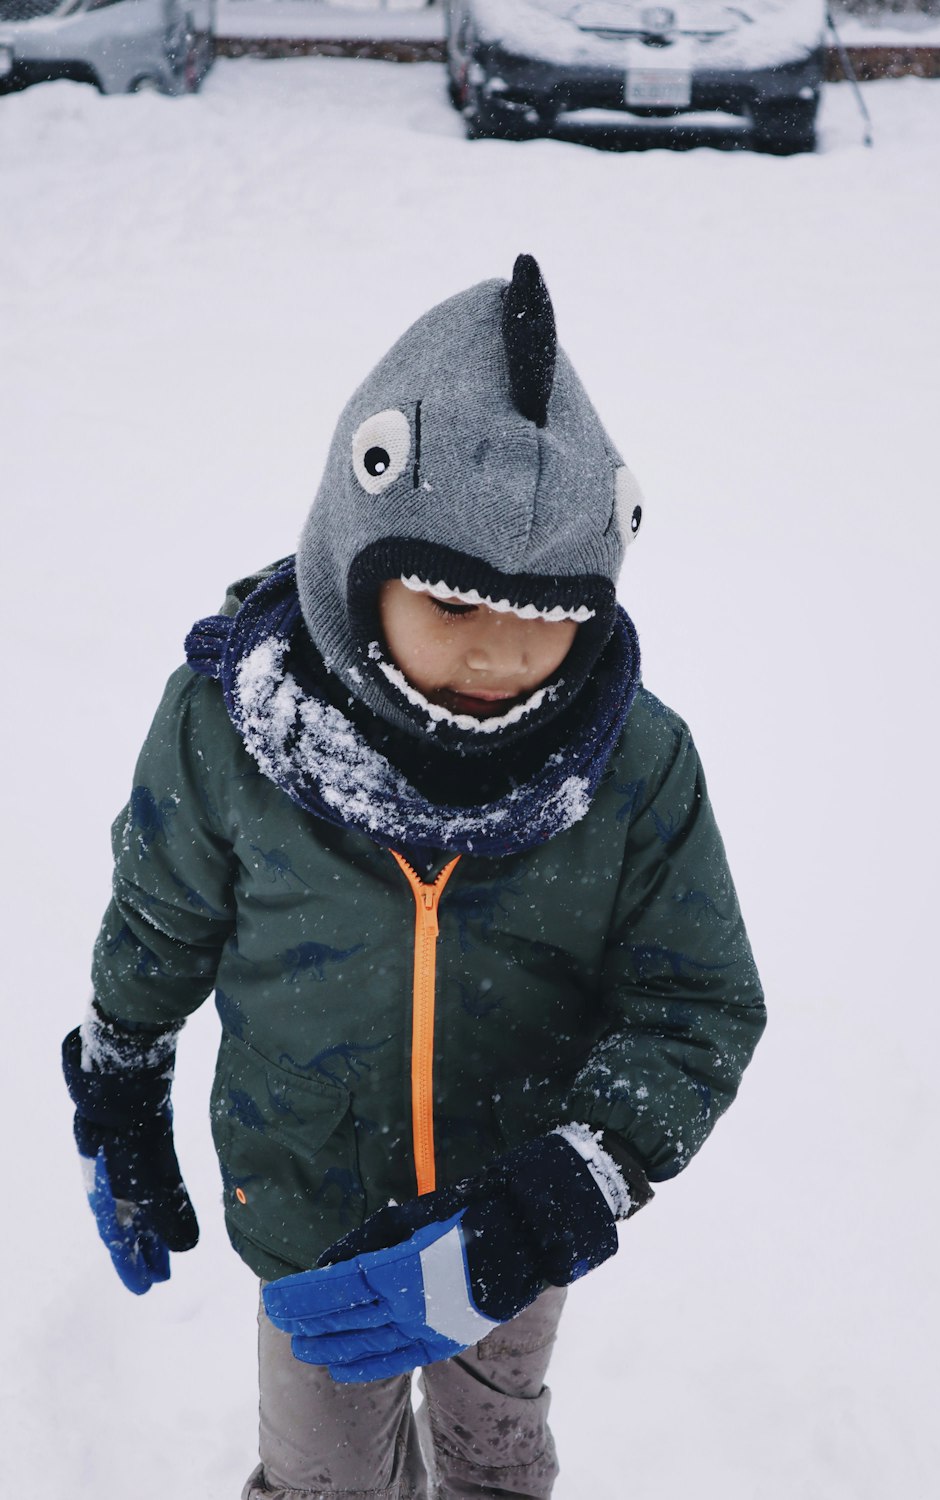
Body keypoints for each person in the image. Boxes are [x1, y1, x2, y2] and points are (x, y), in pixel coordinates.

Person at [62, 254, 765, 1500]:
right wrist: (121, 1081)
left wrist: (557, 1194)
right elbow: (160, 919)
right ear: (358, 556)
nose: (503, 651)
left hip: (510, 1224)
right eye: (450, 602)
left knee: (497, 1442)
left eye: (549, 611)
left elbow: (695, 1006)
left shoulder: (634, 765)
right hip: (310, 1216)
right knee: (324, 1472)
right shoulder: (232, 727)